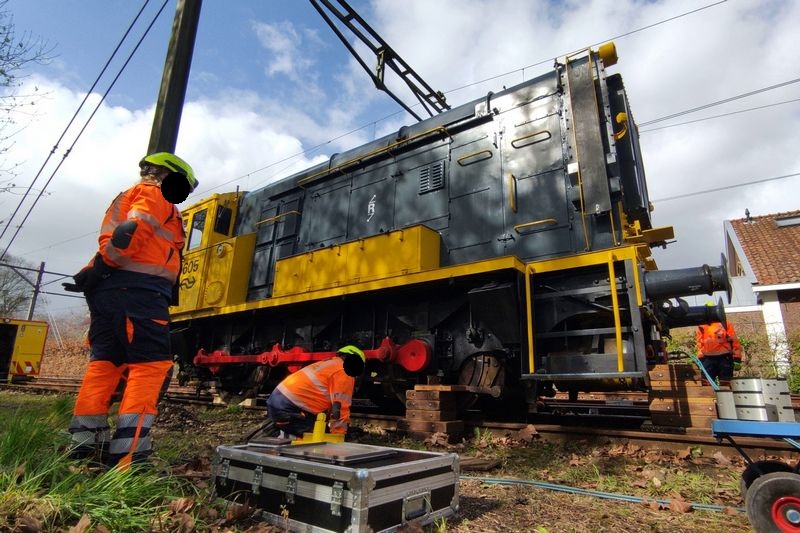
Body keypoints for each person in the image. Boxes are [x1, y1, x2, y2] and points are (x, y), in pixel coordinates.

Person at [63, 152, 199, 470]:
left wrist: (94, 271)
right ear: (170, 176)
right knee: (151, 365)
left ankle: (84, 447)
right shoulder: (155, 193)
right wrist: (101, 265)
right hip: (139, 293)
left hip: (111, 291)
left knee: (106, 364)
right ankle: (131, 455)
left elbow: (117, 238)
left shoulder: (129, 194)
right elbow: (130, 233)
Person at [266, 345, 366, 438]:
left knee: (322, 430)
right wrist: (339, 436)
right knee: (321, 439)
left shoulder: (330, 364)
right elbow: (339, 408)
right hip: (288, 409)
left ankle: (282, 430)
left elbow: (330, 408)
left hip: (279, 404)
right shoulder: (345, 371)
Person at [696, 304, 743, 386]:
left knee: (711, 383)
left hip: (721, 358)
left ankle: (718, 398)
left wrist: (737, 358)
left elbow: (700, 343)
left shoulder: (724, 323)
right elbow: (700, 342)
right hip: (717, 358)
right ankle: (718, 398)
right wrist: (737, 358)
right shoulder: (703, 325)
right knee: (710, 384)